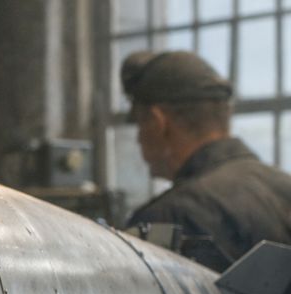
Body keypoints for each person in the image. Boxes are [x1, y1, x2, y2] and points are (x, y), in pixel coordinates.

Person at [122, 50, 291, 272]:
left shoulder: (164, 219)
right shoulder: (283, 186)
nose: (138, 139)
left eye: (140, 126)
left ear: (158, 122)